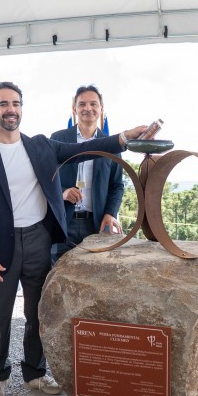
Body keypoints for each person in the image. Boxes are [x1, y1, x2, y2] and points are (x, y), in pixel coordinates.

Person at [0, 81, 146, 396]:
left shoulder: (41, 146)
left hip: (38, 240)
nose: (11, 110)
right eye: (3, 104)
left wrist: (124, 137)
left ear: (21, 108)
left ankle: (34, 372)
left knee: (37, 313)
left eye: (16, 103)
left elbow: (88, 147)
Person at [49, 84, 125, 263]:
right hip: (63, 222)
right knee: (57, 273)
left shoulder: (111, 144)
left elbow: (117, 185)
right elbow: (46, 178)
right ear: (74, 109)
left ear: (101, 109)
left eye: (93, 104)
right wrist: (63, 192)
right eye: (82, 104)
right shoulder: (57, 138)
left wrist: (110, 213)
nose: (88, 108)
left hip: (96, 224)